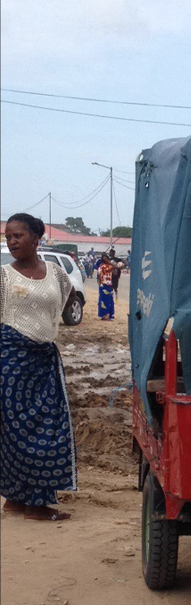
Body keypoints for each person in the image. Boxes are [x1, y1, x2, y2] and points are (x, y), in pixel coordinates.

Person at [0, 213, 77, 521]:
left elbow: (65, 299)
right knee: (19, 430)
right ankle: (32, 503)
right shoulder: (4, 276)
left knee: (45, 424)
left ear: (36, 238)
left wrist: (45, 328)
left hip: (43, 358)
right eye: (8, 237)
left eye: (18, 235)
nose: (12, 241)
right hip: (11, 360)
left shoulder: (56, 273)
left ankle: (20, 499)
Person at [96, 253, 115, 320]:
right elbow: (114, 273)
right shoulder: (110, 267)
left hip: (103, 285)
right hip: (108, 285)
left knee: (103, 300)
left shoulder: (100, 267)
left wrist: (100, 284)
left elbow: (98, 276)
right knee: (109, 300)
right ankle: (109, 315)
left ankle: (103, 315)